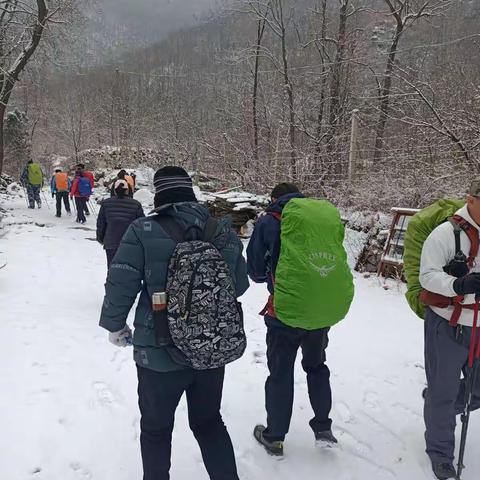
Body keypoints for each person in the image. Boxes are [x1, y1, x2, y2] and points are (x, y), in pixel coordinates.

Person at [99, 166, 249, 480]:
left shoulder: (143, 230)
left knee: (155, 429)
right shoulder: (219, 230)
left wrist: (115, 325)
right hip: (209, 347)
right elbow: (240, 283)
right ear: (189, 190)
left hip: (158, 351)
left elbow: (121, 281)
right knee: (209, 424)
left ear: (160, 193)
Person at [247, 182, 353, 457]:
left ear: (274, 199)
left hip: (284, 313)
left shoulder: (269, 222)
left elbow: (256, 272)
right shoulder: (320, 221)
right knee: (317, 367)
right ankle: (323, 428)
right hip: (319, 312)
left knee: (281, 374)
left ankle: (275, 437)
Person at [419, 179, 480, 480]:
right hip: (448, 322)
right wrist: (457, 284)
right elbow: (426, 275)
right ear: (471, 199)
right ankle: (441, 454)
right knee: (444, 392)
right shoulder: (445, 234)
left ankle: (436, 406)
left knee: (476, 390)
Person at [96, 179, 144, 267]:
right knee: (130, 269)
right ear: (128, 190)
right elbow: (141, 225)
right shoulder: (136, 204)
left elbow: (101, 224)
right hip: (131, 243)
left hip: (111, 242)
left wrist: (100, 238)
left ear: (114, 190)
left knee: (112, 268)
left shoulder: (106, 203)